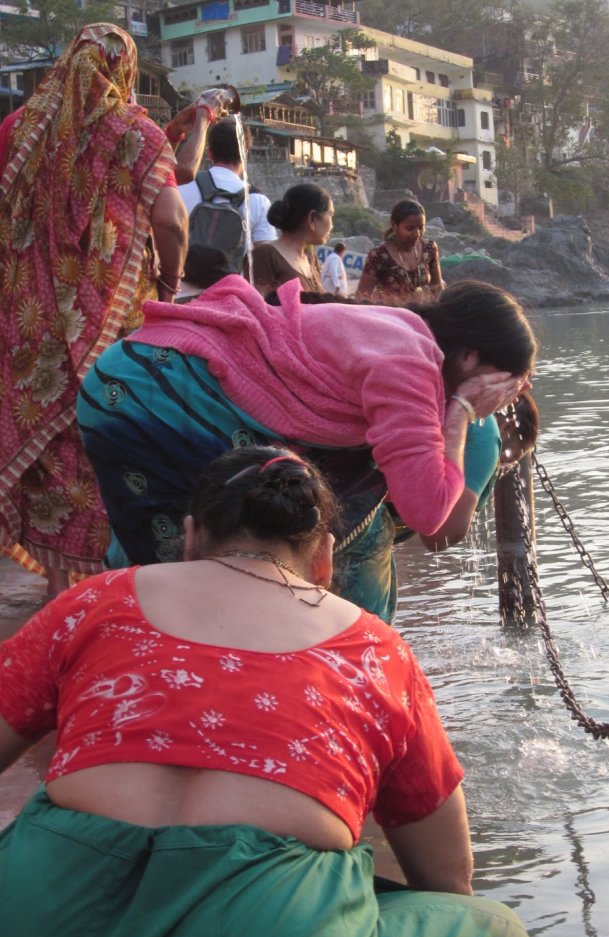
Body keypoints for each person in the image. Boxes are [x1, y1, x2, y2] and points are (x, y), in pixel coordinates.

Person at [0, 444, 536, 937]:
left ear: (191, 539)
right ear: (325, 560)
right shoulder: (373, 649)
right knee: (491, 933)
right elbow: (447, 879)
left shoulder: (92, 602)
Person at [77, 277, 535, 622]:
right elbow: (429, 515)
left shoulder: (401, 334)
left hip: (140, 382)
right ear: (470, 358)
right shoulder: (410, 361)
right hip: (149, 397)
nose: (497, 400)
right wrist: (459, 410)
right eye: (501, 384)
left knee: (184, 560)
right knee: (180, 571)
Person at [0, 23, 187, 598]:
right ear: (124, 70)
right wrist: (170, 283)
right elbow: (173, 219)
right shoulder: (135, 129)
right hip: (111, 312)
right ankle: (110, 590)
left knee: (50, 454)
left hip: (27, 320)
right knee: (106, 435)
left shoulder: (21, 128)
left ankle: (61, 593)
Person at [178, 117, 276, 252]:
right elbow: (265, 255)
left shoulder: (182, 189)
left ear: (209, 153)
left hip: (187, 272)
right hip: (237, 273)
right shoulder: (258, 201)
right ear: (245, 154)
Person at [250, 182, 333, 294]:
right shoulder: (265, 255)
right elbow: (258, 307)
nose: (331, 225)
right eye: (330, 215)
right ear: (312, 218)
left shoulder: (310, 258)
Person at [356, 198, 444, 303]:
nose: (417, 234)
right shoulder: (379, 255)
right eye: (410, 228)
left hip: (424, 316)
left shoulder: (430, 248)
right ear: (394, 226)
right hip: (391, 317)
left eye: (421, 227)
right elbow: (362, 297)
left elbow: (437, 289)